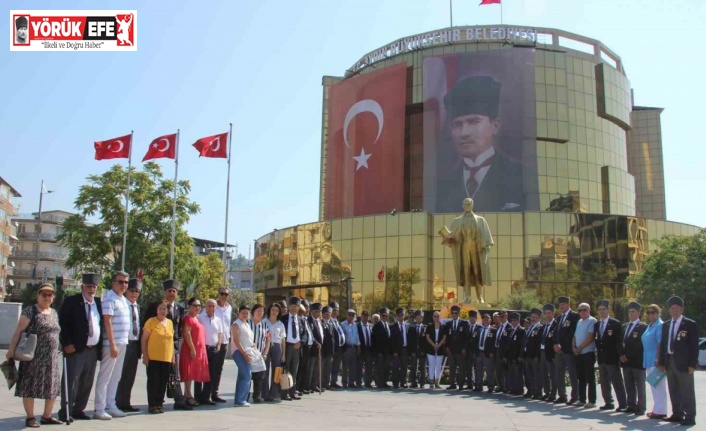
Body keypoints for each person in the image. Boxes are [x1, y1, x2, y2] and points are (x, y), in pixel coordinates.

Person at [437, 75, 525, 213]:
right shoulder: (443, 186)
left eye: (473, 122)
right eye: (457, 124)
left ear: (495, 126)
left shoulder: (521, 176)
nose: (464, 133)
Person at [5, 283, 62, 427]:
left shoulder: (54, 313)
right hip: (32, 357)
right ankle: (30, 417)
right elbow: (18, 331)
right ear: (38, 295)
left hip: (51, 358)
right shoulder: (30, 311)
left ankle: (47, 416)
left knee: (52, 387)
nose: (47, 297)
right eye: (44, 295)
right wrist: (11, 351)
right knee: (29, 386)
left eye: (50, 295)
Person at [58, 273, 103, 421]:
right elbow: (63, 324)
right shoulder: (71, 301)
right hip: (75, 349)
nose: (91, 289)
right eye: (89, 286)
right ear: (82, 287)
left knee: (86, 382)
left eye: (94, 287)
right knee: (72, 381)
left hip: (92, 349)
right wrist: (66, 343)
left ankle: (79, 410)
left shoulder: (98, 302)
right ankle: (66, 411)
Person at [143, 279, 189, 410]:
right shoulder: (155, 306)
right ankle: (155, 403)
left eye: (174, 291)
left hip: (171, 347)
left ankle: (174, 399)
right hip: (155, 348)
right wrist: (144, 352)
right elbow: (146, 327)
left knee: (170, 376)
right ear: (165, 292)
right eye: (169, 291)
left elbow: (179, 327)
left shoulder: (179, 307)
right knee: (154, 378)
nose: (171, 293)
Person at [440, 198, 494, 303]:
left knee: (478, 272)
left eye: (469, 204)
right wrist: (448, 236)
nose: (467, 206)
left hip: (477, 247)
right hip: (464, 247)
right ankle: (467, 297)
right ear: (462, 206)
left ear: (472, 205)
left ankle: (480, 297)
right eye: (465, 204)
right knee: (466, 272)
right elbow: (451, 239)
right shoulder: (457, 221)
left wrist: (487, 247)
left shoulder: (480, 220)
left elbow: (487, 237)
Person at [94, 271, 131, 420]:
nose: (124, 285)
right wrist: (112, 343)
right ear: (113, 283)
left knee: (116, 376)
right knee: (105, 376)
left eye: (126, 282)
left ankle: (111, 404)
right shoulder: (110, 298)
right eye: (120, 282)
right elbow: (107, 321)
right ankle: (99, 408)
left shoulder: (123, 299)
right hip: (112, 343)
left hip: (123, 342)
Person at [658, 296, 698, 426]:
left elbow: (694, 346)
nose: (674, 311)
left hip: (684, 363)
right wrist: (661, 362)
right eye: (672, 309)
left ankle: (690, 416)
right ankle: (677, 414)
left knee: (687, 390)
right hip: (669, 361)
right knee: (673, 388)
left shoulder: (690, 324)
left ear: (681, 309)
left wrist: (692, 364)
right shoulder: (666, 325)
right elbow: (664, 344)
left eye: (677, 308)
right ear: (669, 310)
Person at [141, 301, 175, 414]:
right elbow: (144, 340)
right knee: (153, 382)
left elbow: (171, 341)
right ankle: (152, 405)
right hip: (153, 357)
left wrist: (172, 356)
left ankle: (159, 404)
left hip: (166, 358)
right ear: (156, 310)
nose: (162, 311)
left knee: (163, 382)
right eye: (160, 309)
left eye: (164, 309)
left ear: (167, 311)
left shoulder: (170, 323)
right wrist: (145, 355)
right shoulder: (150, 322)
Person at [594, 299, 627, 411]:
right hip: (602, 358)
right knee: (604, 383)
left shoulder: (615, 324)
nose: (602, 311)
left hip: (612, 358)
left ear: (608, 310)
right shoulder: (597, 324)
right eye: (600, 310)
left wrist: (620, 354)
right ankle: (608, 402)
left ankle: (623, 404)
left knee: (617, 382)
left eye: (604, 309)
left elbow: (619, 341)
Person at [116, 278, 142, 413]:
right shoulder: (122, 304)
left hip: (134, 344)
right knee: (119, 374)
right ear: (127, 291)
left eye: (137, 291)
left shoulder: (138, 307)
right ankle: (115, 402)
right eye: (132, 290)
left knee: (130, 376)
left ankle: (125, 402)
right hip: (123, 343)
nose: (134, 293)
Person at [180, 297, 210, 408]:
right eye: (194, 305)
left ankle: (188, 394)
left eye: (199, 305)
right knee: (188, 373)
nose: (197, 307)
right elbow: (187, 334)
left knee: (192, 373)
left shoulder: (197, 318)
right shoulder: (188, 318)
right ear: (189, 306)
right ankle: (188, 395)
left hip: (199, 350)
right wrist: (192, 348)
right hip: (190, 349)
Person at [619, 302, 647, 416]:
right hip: (625, 361)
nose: (630, 314)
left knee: (640, 386)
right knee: (629, 384)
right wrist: (621, 354)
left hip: (637, 361)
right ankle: (630, 405)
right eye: (629, 312)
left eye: (633, 312)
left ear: (638, 313)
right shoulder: (624, 326)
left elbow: (640, 345)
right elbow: (619, 342)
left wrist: (628, 355)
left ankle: (641, 407)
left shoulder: (643, 327)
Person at [195, 299, 223, 405]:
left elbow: (219, 333)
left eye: (214, 306)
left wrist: (219, 345)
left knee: (211, 374)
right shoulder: (200, 318)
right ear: (205, 307)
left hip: (214, 349)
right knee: (199, 374)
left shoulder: (218, 319)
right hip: (202, 349)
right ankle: (197, 398)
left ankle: (206, 397)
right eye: (209, 306)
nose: (212, 308)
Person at [552, 296, 580, 404]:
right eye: (560, 305)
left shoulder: (574, 316)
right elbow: (555, 333)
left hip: (568, 350)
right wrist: (555, 344)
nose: (561, 307)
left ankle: (575, 397)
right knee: (559, 373)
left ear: (568, 305)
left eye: (563, 304)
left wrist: (562, 345)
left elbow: (572, 333)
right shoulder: (559, 318)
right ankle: (562, 395)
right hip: (559, 351)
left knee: (573, 374)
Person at [642, 304, 667, 420]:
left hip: (655, 359)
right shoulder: (650, 325)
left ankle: (661, 410)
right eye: (649, 312)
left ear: (658, 313)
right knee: (653, 385)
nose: (651, 314)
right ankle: (657, 409)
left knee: (659, 385)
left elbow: (660, 343)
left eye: (653, 312)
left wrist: (658, 359)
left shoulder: (660, 325)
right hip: (648, 358)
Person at [573, 303, 597, 408]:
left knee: (590, 377)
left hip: (588, 352)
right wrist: (573, 347)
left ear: (589, 310)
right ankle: (581, 399)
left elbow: (590, 337)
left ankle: (592, 400)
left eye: (584, 310)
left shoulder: (592, 320)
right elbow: (575, 336)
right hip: (579, 353)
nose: (582, 312)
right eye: (580, 310)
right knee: (581, 377)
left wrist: (580, 347)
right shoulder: (579, 321)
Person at [211, 288, 232, 403]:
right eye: (222, 294)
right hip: (213, 341)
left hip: (224, 341)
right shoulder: (213, 306)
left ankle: (215, 393)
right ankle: (207, 393)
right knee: (211, 368)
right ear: (218, 294)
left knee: (219, 369)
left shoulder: (229, 308)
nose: (224, 296)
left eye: (226, 294)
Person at [231, 305, 254, 407]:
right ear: (238, 313)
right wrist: (244, 353)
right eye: (243, 312)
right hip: (238, 351)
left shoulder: (247, 324)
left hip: (247, 350)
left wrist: (253, 345)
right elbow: (236, 340)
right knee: (247, 375)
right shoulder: (236, 324)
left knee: (242, 376)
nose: (245, 315)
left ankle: (238, 399)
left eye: (247, 313)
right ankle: (241, 400)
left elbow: (247, 339)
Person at [280, 297, 302, 400]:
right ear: (289, 307)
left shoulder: (301, 320)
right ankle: (285, 393)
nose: (294, 308)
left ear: (298, 308)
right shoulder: (283, 319)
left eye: (296, 306)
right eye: (292, 306)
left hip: (297, 348)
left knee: (294, 371)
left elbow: (305, 334)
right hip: (287, 347)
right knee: (285, 370)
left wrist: (301, 342)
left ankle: (293, 392)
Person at [248, 304, 270, 403]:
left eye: (262, 311)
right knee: (247, 376)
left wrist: (265, 353)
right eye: (258, 311)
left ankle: (257, 396)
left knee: (259, 377)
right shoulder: (247, 323)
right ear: (253, 312)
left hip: (260, 355)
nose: (260, 313)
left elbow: (268, 340)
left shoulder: (265, 325)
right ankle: (245, 396)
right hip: (248, 354)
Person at [264, 303, 286, 402]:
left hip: (277, 346)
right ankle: (264, 394)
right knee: (265, 369)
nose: (274, 312)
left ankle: (274, 393)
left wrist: (283, 354)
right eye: (273, 310)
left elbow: (283, 340)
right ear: (269, 310)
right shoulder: (264, 322)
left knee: (276, 370)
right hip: (266, 346)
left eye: (277, 310)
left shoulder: (280, 324)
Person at [444, 305, 469, 390]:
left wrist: (464, 348)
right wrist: (446, 347)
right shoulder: (448, 324)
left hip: (460, 350)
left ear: (459, 314)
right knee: (452, 367)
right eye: (453, 313)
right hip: (451, 350)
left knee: (461, 368)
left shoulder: (464, 323)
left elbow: (466, 338)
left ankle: (461, 384)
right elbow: (446, 337)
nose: (454, 314)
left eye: (456, 313)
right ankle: (452, 384)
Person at [473, 313, 497, 393]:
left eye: (487, 319)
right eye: (484, 319)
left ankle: (491, 386)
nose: (485, 320)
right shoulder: (478, 329)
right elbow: (475, 341)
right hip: (479, 352)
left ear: (490, 320)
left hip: (488, 353)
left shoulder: (493, 330)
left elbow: (495, 343)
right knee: (478, 370)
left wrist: (492, 352)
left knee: (489, 370)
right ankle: (478, 385)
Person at [539, 304, 557, 401]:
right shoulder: (543, 326)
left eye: (549, 313)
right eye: (546, 313)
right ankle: (547, 392)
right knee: (544, 373)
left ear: (553, 313)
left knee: (552, 374)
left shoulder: (556, 325)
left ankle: (553, 394)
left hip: (550, 352)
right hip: (542, 351)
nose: (548, 315)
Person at [523, 308, 543, 399]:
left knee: (536, 375)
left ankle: (538, 392)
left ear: (539, 318)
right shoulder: (530, 327)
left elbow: (539, 343)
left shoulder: (540, 328)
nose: (533, 318)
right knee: (529, 375)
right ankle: (530, 390)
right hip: (527, 355)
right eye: (532, 317)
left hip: (534, 355)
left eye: (535, 317)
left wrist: (537, 355)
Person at [504, 312, 525, 395]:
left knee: (518, 374)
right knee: (512, 373)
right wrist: (506, 355)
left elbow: (522, 345)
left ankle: (519, 389)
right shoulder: (510, 330)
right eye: (512, 320)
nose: (513, 322)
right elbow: (507, 344)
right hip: (510, 356)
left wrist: (520, 355)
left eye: (515, 320)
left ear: (518, 321)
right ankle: (513, 388)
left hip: (516, 356)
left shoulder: (521, 331)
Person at [372, 307, 393, 388]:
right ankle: (378, 382)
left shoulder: (389, 325)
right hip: (379, 351)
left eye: (386, 316)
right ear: (380, 316)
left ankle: (384, 382)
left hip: (387, 351)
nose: (385, 317)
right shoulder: (376, 326)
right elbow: (374, 340)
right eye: (383, 316)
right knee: (379, 367)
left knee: (386, 367)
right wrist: (377, 351)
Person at [425, 311, 447, 389]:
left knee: (438, 366)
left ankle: (437, 383)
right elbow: (427, 337)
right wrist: (434, 345)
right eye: (435, 316)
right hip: (431, 348)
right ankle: (431, 383)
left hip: (440, 348)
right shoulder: (429, 326)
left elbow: (444, 337)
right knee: (431, 366)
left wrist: (439, 345)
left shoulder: (443, 326)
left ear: (440, 317)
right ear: (433, 317)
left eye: (438, 316)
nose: (436, 318)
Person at [390, 307, 410, 389]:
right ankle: (395, 382)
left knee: (404, 366)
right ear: (396, 316)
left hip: (405, 349)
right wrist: (394, 351)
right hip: (397, 350)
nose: (401, 317)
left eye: (402, 315)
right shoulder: (393, 327)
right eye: (399, 315)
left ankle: (403, 382)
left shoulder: (407, 326)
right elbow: (392, 340)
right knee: (396, 366)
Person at [340, 309, 361, 388]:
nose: (351, 316)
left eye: (353, 315)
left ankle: (351, 382)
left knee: (353, 366)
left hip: (354, 347)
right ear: (347, 315)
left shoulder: (355, 325)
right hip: (346, 347)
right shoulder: (342, 324)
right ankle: (344, 383)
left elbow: (357, 336)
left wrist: (358, 347)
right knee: (345, 366)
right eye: (350, 315)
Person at [306, 303, 324, 392]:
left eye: (319, 312)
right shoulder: (309, 321)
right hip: (312, 348)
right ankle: (308, 386)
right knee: (311, 368)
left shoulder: (319, 321)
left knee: (317, 369)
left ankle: (315, 385)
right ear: (312, 312)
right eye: (316, 312)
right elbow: (311, 334)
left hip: (319, 348)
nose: (318, 313)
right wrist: (316, 343)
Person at [329, 302, 346, 389]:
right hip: (332, 348)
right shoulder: (329, 321)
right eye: (334, 310)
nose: (336, 312)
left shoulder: (337, 322)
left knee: (336, 365)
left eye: (337, 310)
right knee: (330, 365)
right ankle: (328, 382)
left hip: (339, 348)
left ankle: (334, 381)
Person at [409, 310, 427, 388]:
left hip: (422, 350)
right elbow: (410, 341)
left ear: (422, 318)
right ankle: (413, 382)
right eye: (417, 317)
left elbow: (427, 341)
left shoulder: (425, 327)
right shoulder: (411, 327)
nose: (418, 319)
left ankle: (422, 382)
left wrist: (424, 351)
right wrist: (411, 351)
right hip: (414, 350)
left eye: (420, 317)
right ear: (415, 319)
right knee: (413, 366)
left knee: (422, 366)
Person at [356, 310, 375, 388]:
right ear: (361, 316)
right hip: (361, 349)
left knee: (369, 367)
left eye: (367, 316)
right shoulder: (357, 326)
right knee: (359, 366)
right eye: (364, 316)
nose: (365, 317)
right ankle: (358, 382)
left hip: (369, 349)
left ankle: (368, 382)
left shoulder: (371, 326)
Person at [320, 306, 336, 391]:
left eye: (329, 314)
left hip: (330, 350)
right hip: (323, 350)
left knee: (328, 368)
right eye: (326, 314)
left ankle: (327, 383)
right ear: (322, 315)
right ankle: (321, 383)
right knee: (321, 368)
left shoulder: (331, 324)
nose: (327, 316)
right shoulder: (320, 322)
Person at [493, 310, 509, 392]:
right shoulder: (499, 326)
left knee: (505, 370)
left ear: (506, 316)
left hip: (504, 351)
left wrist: (506, 353)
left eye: (502, 316)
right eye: (500, 317)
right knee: (498, 369)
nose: (501, 318)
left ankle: (506, 386)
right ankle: (500, 386)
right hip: (497, 349)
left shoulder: (509, 326)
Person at [465, 310, 480, 390]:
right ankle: (469, 384)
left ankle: (477, 384)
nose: (472, 319)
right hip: (468, 351)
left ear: (476, 318)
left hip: (476, 351)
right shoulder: (466, 327)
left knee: (477, 368)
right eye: (470, 318)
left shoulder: (479, 328)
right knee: (468, 368)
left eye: (473, 318)